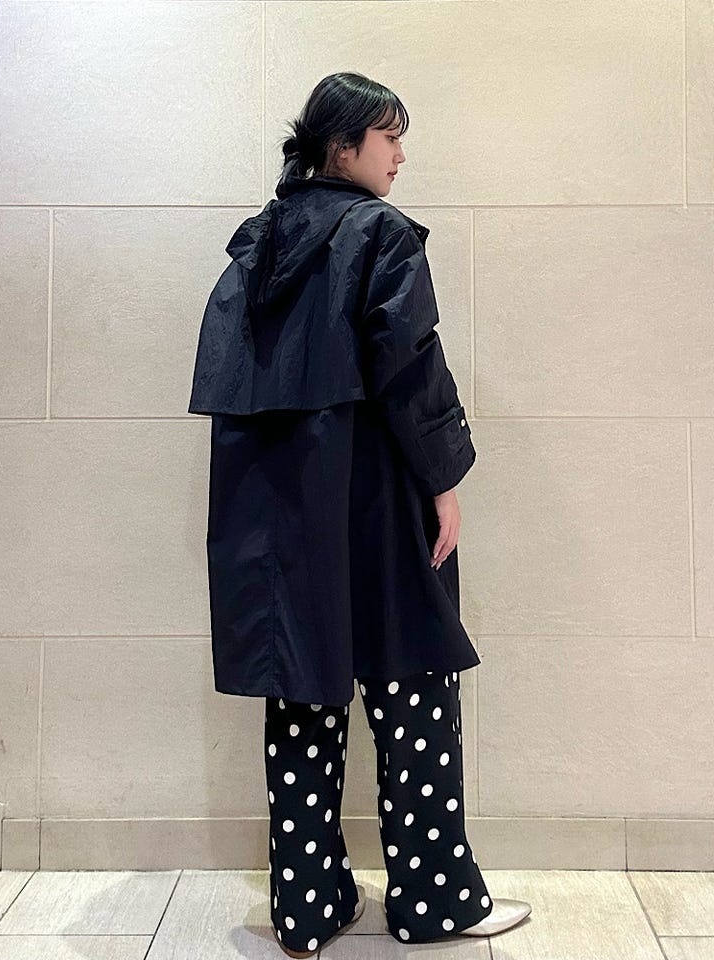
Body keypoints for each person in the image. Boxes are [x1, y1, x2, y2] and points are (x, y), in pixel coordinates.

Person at [188, 71, 531, 958]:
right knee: (415, 685)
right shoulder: (379, 232)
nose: (401, 155)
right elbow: (409, 363)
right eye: (390, 137)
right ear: (343, 146)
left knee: (304, 691)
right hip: (375, 497)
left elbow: (232, 389)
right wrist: (443, 480)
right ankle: (434, 899)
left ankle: (306, 910)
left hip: (280, 513)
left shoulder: (258, 245)